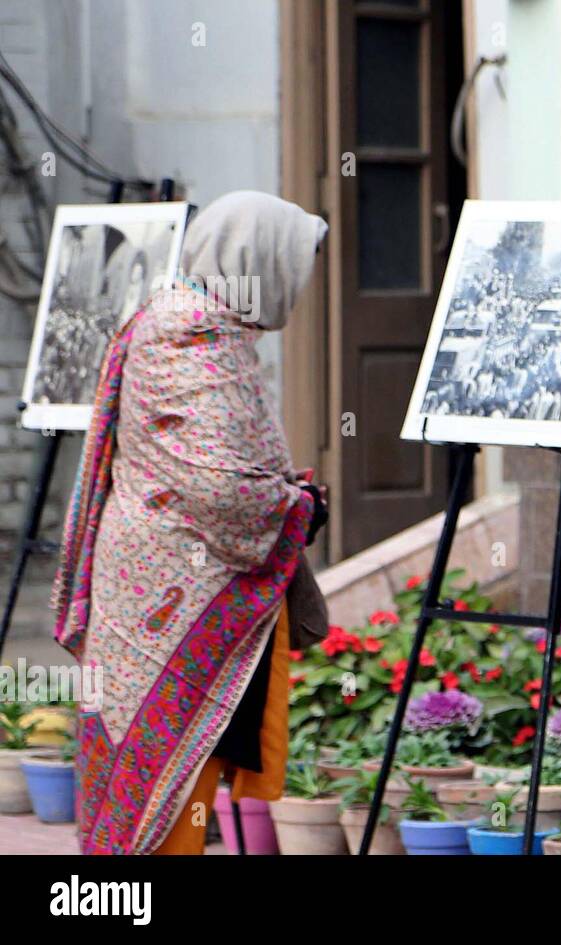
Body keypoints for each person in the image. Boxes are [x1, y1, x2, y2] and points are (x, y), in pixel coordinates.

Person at [51, 191, 330, 855]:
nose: (301, 284)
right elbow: (222, 489)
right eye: (293, 265)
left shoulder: (192, 325)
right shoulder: (192, 340)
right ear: (257, 262)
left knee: (175, 789)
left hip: (166, 589)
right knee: (170, 797)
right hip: (172, 599)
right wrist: (298, 507)